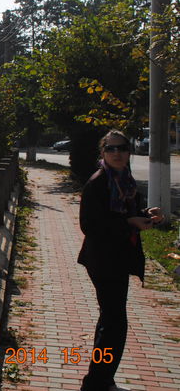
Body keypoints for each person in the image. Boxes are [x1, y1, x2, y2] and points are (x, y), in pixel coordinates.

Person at [77, 130, 164, 391]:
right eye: (111, 149)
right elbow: (90, 225)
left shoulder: (123, 179)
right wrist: (129, 223)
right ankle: (97, 382)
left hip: (118, 257)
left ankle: (100, 380)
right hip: (103, 260)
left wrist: (145, 214)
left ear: (128, 152)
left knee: (112, 321)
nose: (117, 153)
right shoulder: (99, 182)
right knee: (113, 323)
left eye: (122, 148)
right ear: (103, 153)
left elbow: (125, 212)